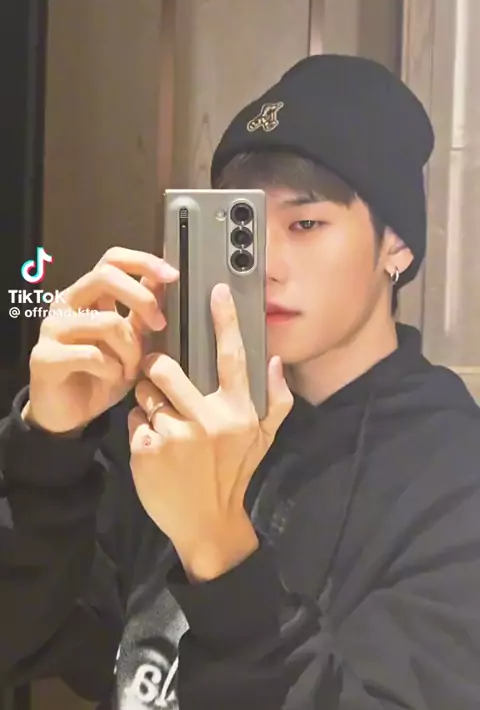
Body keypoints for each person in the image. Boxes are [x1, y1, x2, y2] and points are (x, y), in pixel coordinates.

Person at [1, 55, 480, 710]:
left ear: (396, 244)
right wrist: (49, 448)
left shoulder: (453, 475)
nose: (268, 266)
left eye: (306, 224)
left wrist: (216, 546)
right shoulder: (173, 418)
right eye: (244, 227)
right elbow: (20, 636)